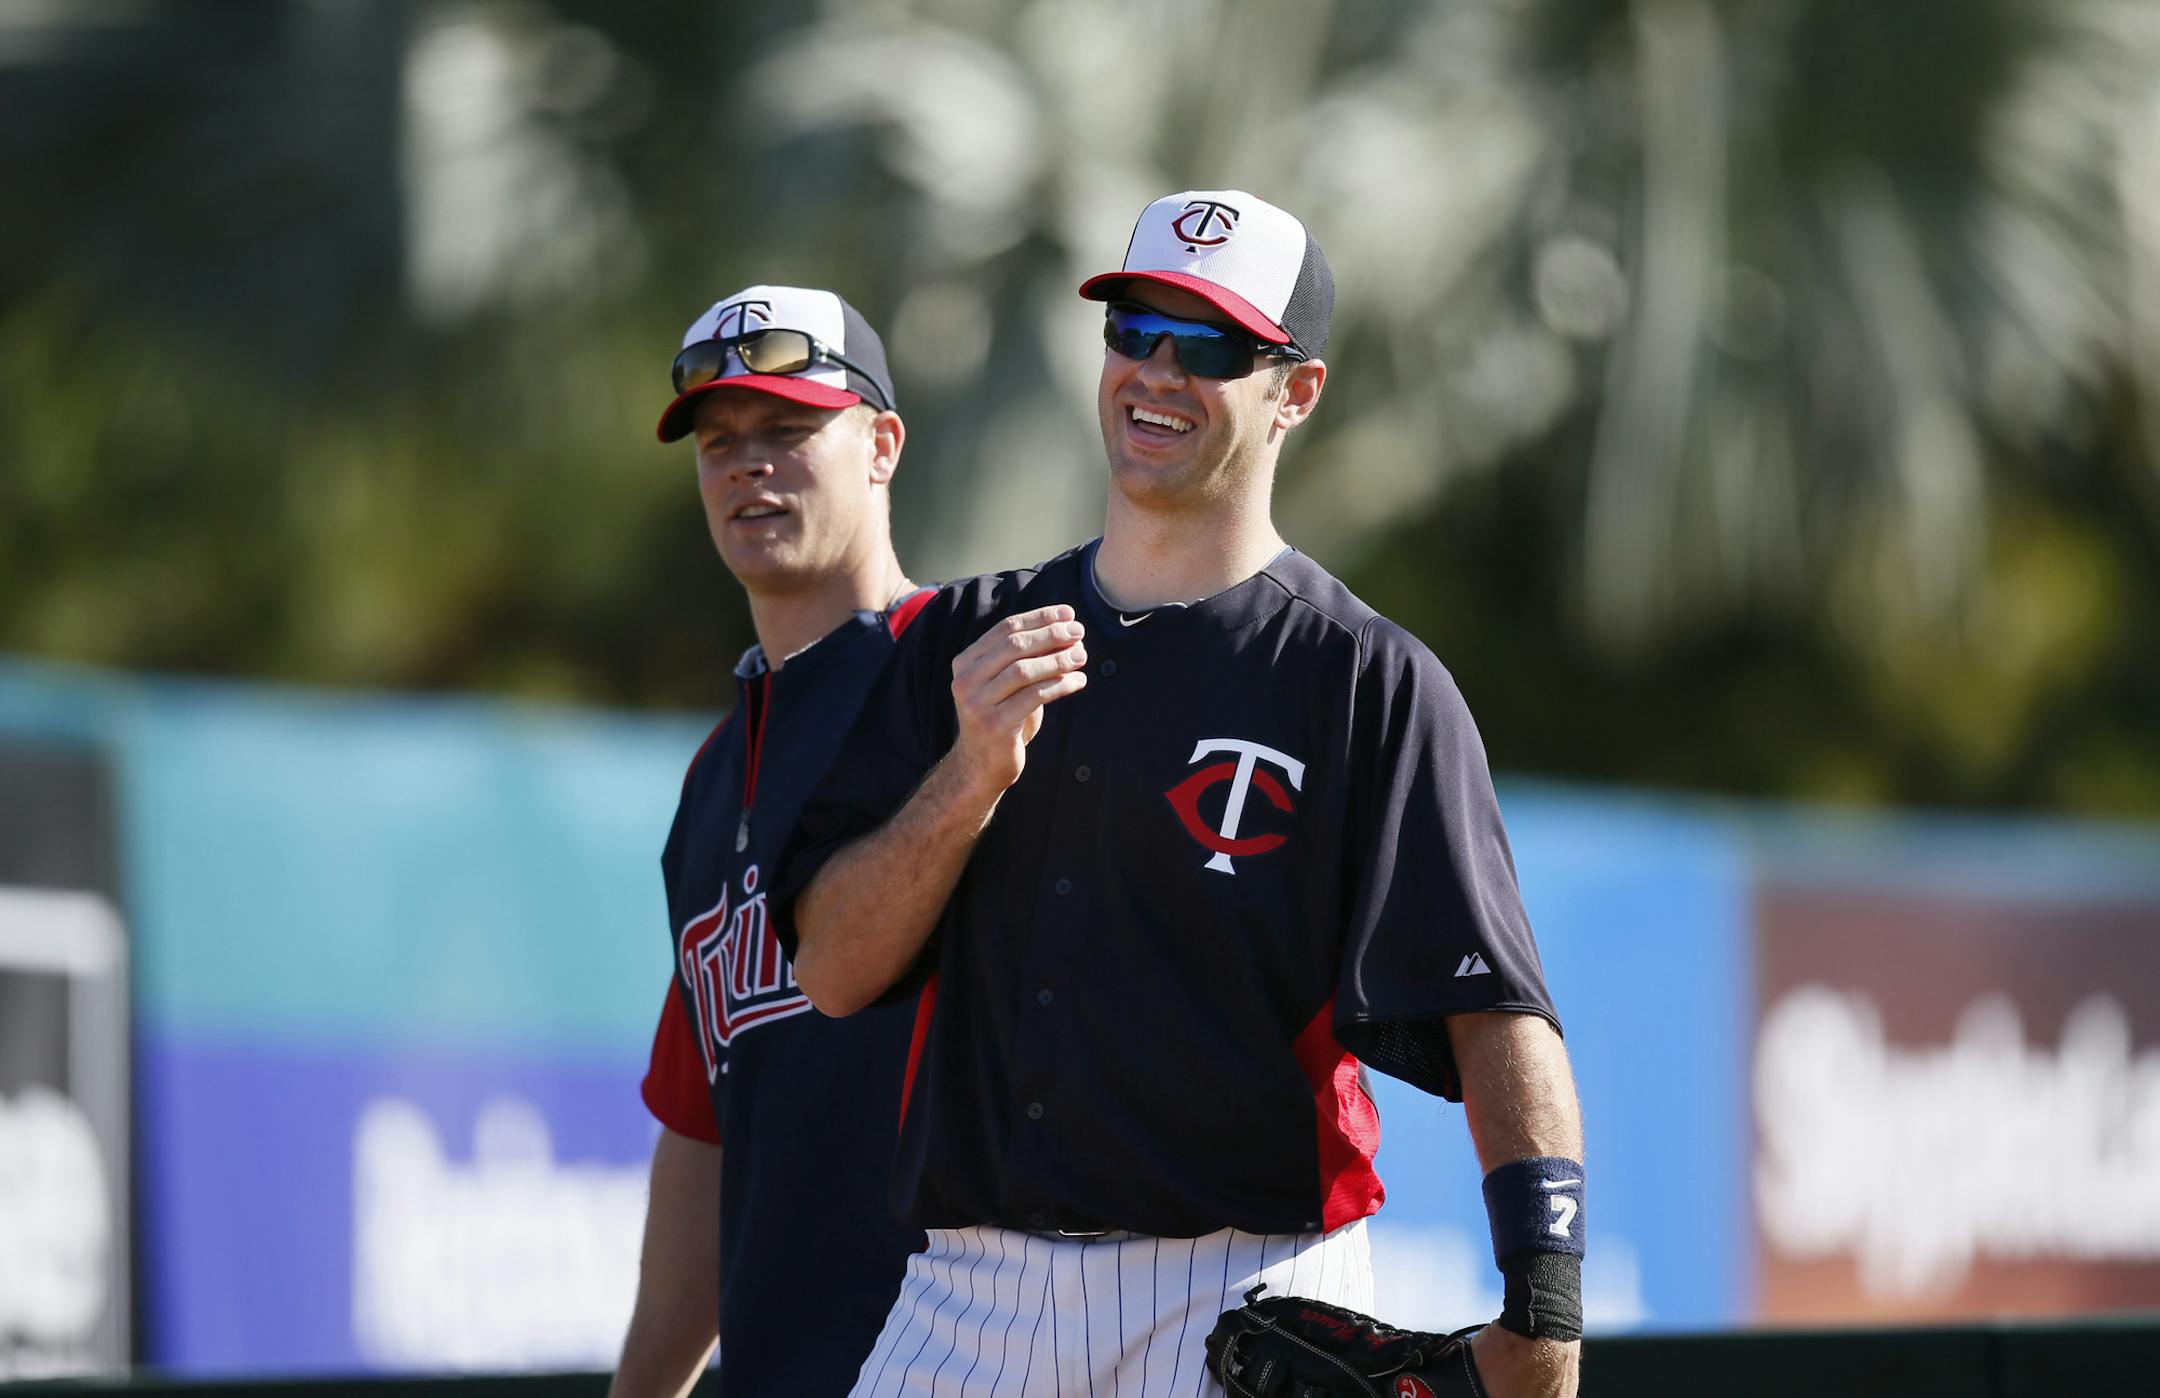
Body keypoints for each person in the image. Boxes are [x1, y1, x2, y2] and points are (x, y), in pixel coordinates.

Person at [773, 191, 1587, 1398]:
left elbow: (1498, 1013)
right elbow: (831, 968)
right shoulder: (959, 638)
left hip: (1244, 1292)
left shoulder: (1363, 679)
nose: (1156, 370)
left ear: (1295, 392)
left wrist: (1547, 1316)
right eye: (1135, 329)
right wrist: (970, 772)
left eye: (1207, 346)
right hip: (966, 1290)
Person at [609, 285, 935, 1398]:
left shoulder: (961, 680)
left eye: (791, 431)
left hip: (977, 1353)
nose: (749, 465)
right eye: (720, 441)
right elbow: (704, 1125)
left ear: (881, 444)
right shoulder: (713, 773)